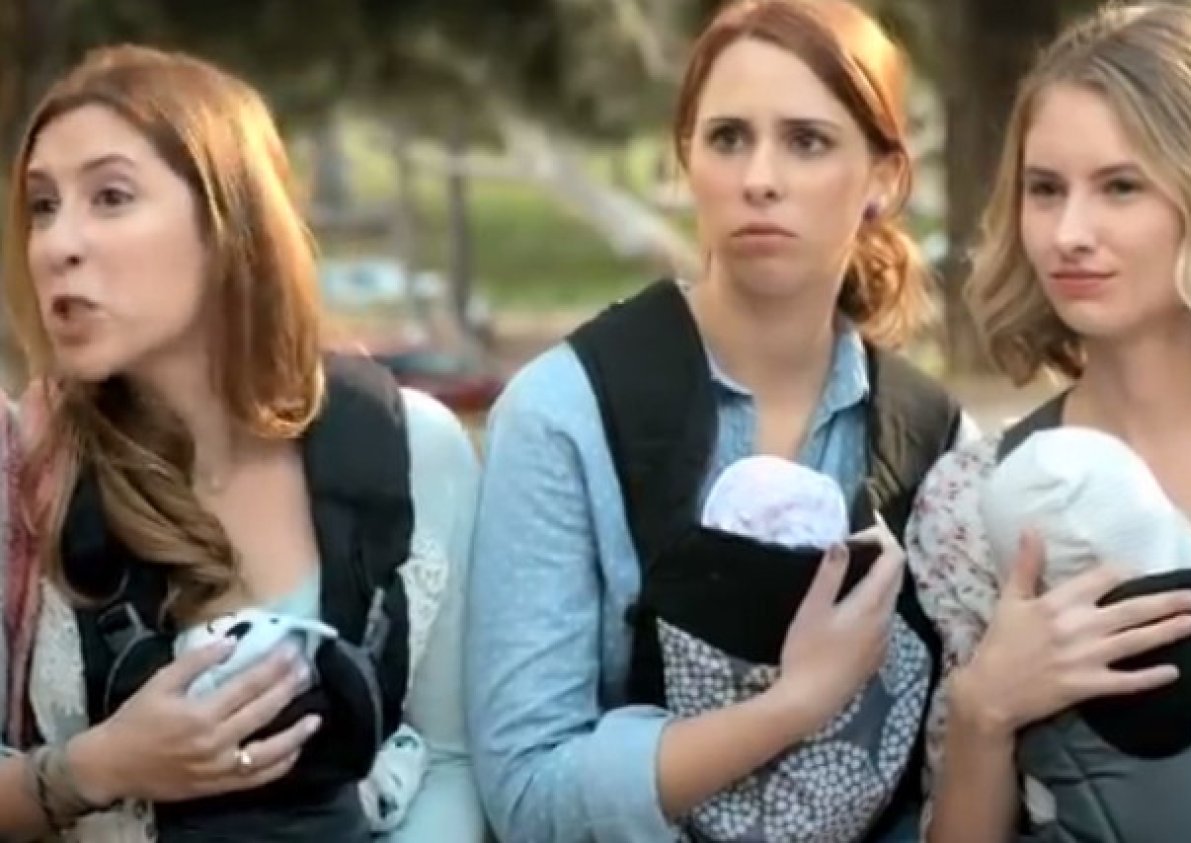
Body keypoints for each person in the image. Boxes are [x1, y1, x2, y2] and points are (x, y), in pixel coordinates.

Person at [465, 2, 971, 841]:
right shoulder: (565, 414)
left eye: (807, 141)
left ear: (884, 177)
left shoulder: (936, 444)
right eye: (729, 138)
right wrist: (794, 704)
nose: (759, 178)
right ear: (686, 159)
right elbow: (527, 793)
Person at [0, 44, 484, 842]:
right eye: (43, 206)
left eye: (111, 196)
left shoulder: (414, 451)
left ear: (230, 223)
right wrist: (95, 767)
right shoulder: (25, 471)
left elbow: (455, 759)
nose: (58, 243)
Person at [907, 5, 1191, 841]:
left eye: (1120, 186)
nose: (1069, 233)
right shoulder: (972, 499)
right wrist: (987, 709)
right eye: (1045, 189)